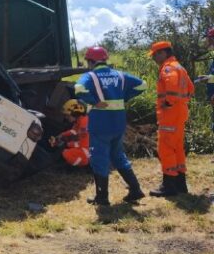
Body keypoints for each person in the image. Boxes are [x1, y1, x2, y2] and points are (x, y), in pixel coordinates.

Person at [74, 46, 147, 205]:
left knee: (99, 159)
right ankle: (135, 189)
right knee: (118, 155)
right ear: (105, 60)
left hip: (101, 123)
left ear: (91, 61)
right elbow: (143, 85)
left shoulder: (91, 76)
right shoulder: (120, 75)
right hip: (118, 123)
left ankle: (102, 197)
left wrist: (94, 101)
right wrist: (124, 97)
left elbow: (78, 89)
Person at [148, 41, 194, 197]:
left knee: (166, 148)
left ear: (163, 53)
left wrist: (169, 102)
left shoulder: (168, 68)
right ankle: (181, 184)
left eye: (155, 55)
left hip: (170, 114)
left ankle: (169, 186)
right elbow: (190, 88)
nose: (154, 58)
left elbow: (172, 83)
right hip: (180, 113)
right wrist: (180, 103)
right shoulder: (179, 66)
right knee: (177, 148)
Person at [49, 99, 90, 167]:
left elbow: (78, 136)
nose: (66, 117)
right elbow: (73, 132)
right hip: (85, 147)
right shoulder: (79, 120)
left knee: (66, 154)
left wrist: (63, 140)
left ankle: (78, 167)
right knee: (66, 146)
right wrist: (61, 135)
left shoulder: (84, 122)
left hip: (88, 152)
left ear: (75, 113)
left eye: (67, 115)